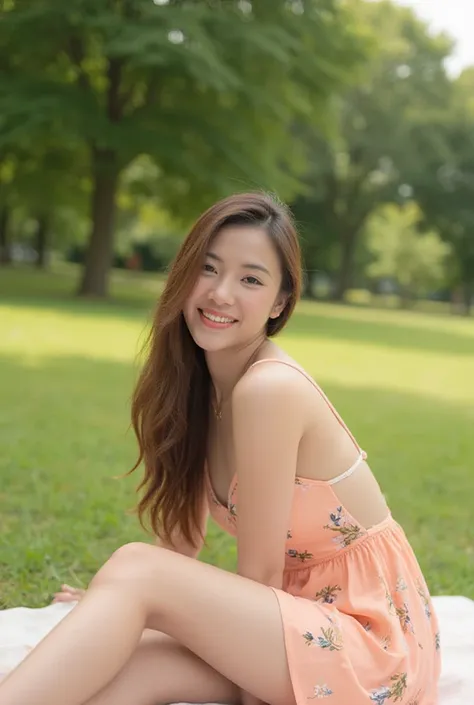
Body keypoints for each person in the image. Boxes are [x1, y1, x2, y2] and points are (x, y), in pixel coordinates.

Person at [0, 192, 440, 705]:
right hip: (292, 622)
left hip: (369, 648)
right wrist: (112, 609)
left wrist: (141, 597)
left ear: (280, 302)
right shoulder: (199, 388)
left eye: (250, 279)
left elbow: (259, 578)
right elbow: (181, 542)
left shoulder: (268, 390)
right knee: (119, 676)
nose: (221, 293)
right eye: (208, 269)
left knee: (135, 570)